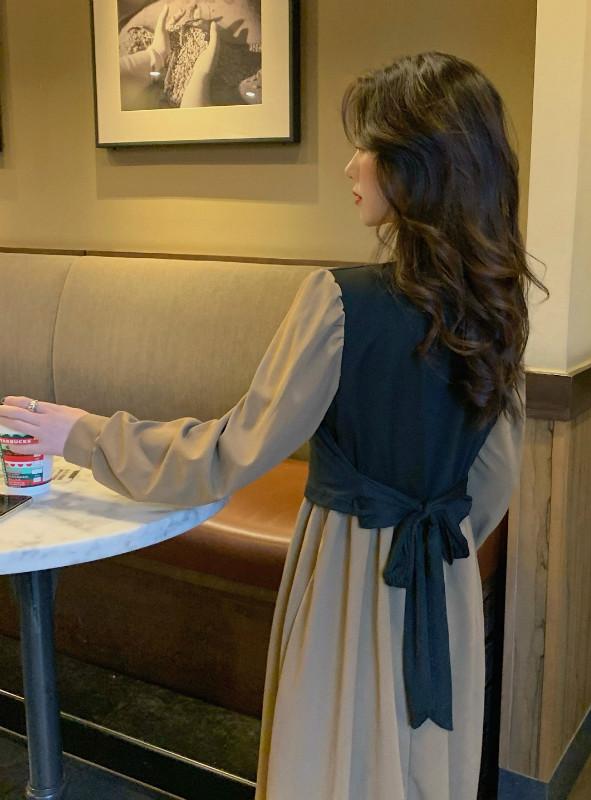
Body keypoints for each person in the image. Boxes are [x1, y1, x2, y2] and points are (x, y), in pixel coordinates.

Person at [0, 51, 547, 799]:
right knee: (423, 765)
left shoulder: (341, 303)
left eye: (368, 146)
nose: (350, 166)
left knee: (333, 759)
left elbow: (230, 452)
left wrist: (81, 433)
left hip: (351, 574)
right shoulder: (499, 305)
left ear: (415, 167)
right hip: (442, 579)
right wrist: (435, 541)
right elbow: (494, 479)